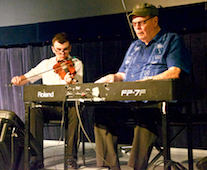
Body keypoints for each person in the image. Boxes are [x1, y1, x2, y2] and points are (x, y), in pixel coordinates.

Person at [93, 3, 191, 170]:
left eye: (141, 23)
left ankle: (135, 168)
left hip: (157, 104)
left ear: (154, 21)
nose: (137, 28)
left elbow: (174, 72)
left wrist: (150, 81)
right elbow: (122, 75)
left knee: (146, 112)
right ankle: (108, 167)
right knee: (102, 112)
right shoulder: (134, 46)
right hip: (130, 102)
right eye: (134, 24)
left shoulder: (171, 40)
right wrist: (112, 77)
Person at [11, 32, 83, 170]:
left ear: (70, 48)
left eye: (65, 49)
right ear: (53, 49)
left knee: (76, 110)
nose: (62, 53)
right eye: (58, 50)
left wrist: (69, 82)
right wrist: (17, 80)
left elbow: (78, 89)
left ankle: (70, 159)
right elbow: (27, 78)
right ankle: (36, 159)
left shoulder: (77, 64)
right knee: (34, 111)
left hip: (67, 107)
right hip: (49, 107)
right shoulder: (46, 64)